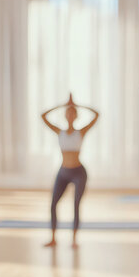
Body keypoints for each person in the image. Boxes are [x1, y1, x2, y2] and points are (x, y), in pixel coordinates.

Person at [41, 93, 99, 248]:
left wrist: (77, 105)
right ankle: (53, 238)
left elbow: (96, 115)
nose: (70, 115)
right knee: (53, 204)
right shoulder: (59, 131)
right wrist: (63, 105)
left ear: (76, 116)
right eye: (68, 113)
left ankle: (74, 239)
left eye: (73, 113)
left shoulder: (81, 132)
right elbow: (43, 116)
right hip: (63, 173)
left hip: (79, 173)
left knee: (76, 204)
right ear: (65, 115)